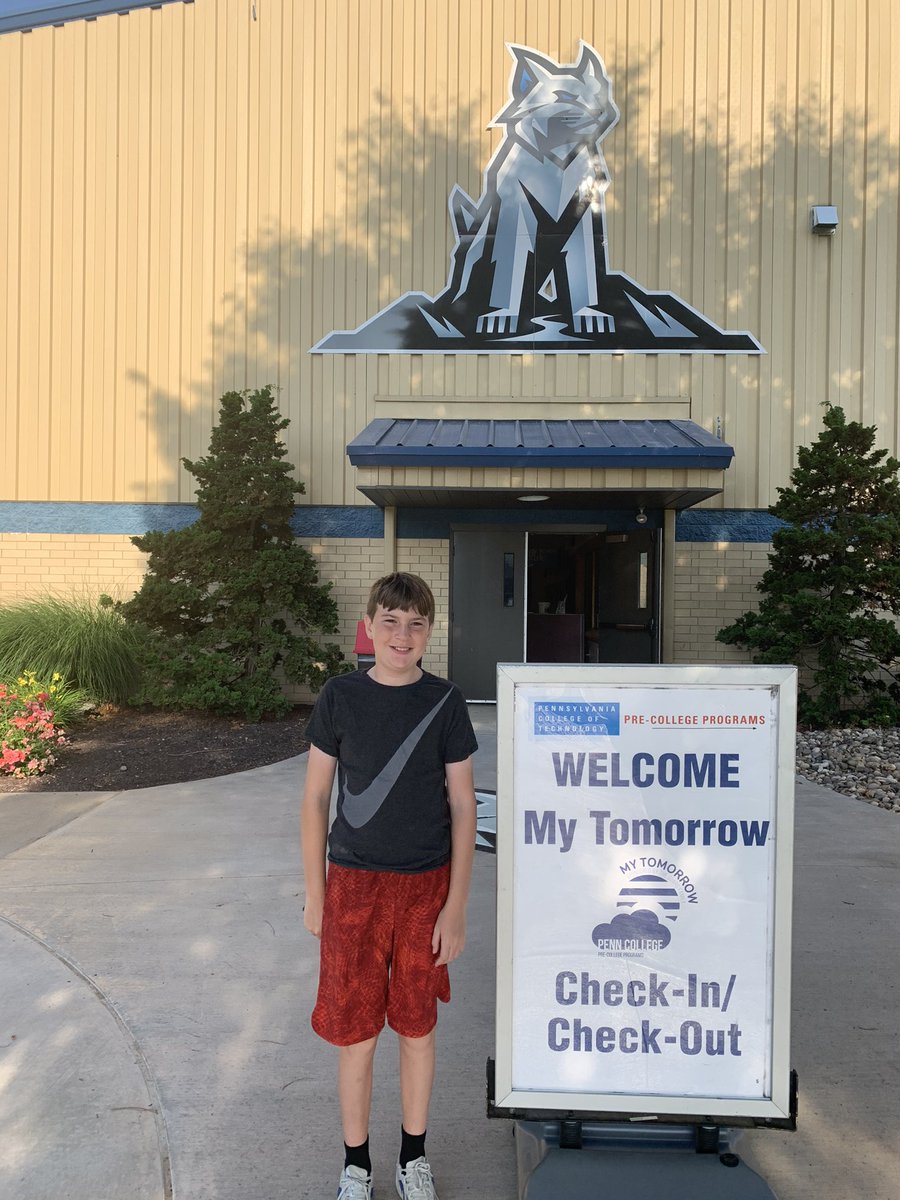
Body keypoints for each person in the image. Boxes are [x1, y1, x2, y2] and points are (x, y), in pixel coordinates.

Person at [302, 572, 478, 1200]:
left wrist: (454, 906)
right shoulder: (340, 697)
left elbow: (464, 806)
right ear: (370, 624)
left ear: (429, 632)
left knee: (416, 1028)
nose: (403, 635)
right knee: (355, 1034)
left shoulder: (446, 702)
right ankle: (356, 1163)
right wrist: (316, 892)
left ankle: (413, 1157)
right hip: (352, 887)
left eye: (416, 623)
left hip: (423, 889)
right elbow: (317, 797)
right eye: (391, 620)